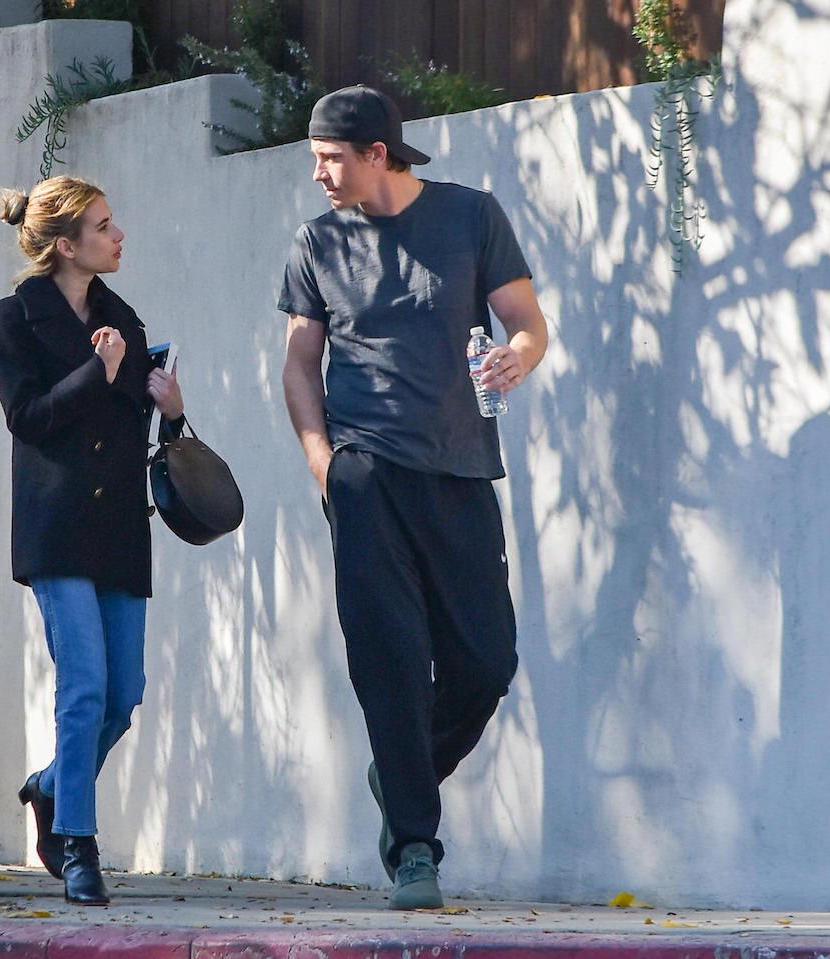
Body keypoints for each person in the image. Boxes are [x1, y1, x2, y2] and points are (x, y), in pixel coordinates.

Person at [277, 86, 548, 910]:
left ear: (378, 154)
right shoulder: (316, 242)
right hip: (364, 473)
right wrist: (324, 463)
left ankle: (400, 774)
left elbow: (527, 323)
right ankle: (415, 851)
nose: (321, 175)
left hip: (461, 468)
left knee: (484, 658)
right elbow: (299, 365)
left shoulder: (471, 218)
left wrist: (518, 358)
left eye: (332, 159)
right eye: (316, 159)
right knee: (389, 658)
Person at [0, 175, 183, 905]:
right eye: (104, 226)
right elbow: (28, 417)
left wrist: (170, 409)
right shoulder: (13, 319)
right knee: (86, 687)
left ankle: (48, 785)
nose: (118, 234)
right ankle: (78, 843)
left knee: (123, 695)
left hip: (120, 531)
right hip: (56, 528)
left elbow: (128, 425)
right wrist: (96, 373)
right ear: (66, 245)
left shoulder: (123, 317)